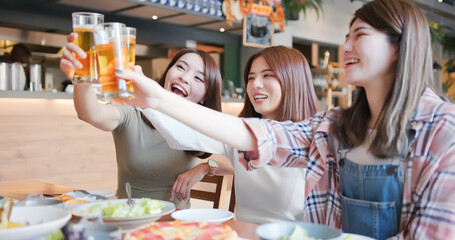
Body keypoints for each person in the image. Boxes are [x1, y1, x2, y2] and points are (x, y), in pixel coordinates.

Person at [117, 0, 455, 238]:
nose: (346, 46)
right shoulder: (335, 126)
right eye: (347, 36)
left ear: (400, 46)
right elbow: (256, 135)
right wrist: (156, 99)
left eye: (360, 35)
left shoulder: (442, 131)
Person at [141, 46, 320, 223]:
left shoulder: (313, 138)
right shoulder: (238, 132)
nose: (255, 84)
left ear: (293, 80)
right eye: (251, 77)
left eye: (267, 75)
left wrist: (153, 98)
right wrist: (142, 100)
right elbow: (183, 134)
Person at [60, 32, 223, 209]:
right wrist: (81, 76)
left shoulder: (198, 125)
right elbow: (90, 113)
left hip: (177, 224)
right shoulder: (134, 109)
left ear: (204, 97)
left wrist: (204, 168)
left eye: (198, 77)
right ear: (168, 72)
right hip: (129, 216)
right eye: (181, 67)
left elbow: (240, 158)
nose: (184, 77)